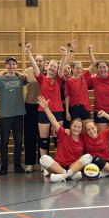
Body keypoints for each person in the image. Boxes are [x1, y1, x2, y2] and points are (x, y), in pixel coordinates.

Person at [25, 43, 69, 176]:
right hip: (43, 112)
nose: (53, 68)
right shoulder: (41, 79)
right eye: (51, 66)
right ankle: (45, 165)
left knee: (58, 140)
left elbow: (62, 66)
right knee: (43, 140)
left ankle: (58, 162)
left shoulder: (59, 80)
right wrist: (28, 52)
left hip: (57, 112)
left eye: (55, 67)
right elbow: (34, 65)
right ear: (46, 67)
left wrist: (64, 55)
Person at [37, 96, 92, 183]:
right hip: (59, 166)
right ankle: (68, 175)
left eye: (79, 127)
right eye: (74, 126)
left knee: (88, 156)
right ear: (70, 127)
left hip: (72, 167)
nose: (76, 129)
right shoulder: (63, 133)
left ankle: (63, 176)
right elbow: (54, 121)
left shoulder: (83, 138)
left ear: (81, 129)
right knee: (43, 158)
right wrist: (46, 108)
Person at [0, 56, 26, 175]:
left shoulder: (21, 78)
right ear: (5, 66)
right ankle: (4, 166)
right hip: (5, 115)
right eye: (9, 64)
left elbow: (32, 78)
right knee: (4, 141)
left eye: (13, 64)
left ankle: (17, 165)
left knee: (18, 141)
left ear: (16, 66)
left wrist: (19, 73)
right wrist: (0, 72)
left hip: (18, 114)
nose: (11, 66)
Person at [23, 53, 47, 173]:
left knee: (43, 136)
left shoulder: (48, 72)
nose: (38, 63)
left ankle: (43, 162)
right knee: (29, 136)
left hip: (43, 107)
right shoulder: (27, 72)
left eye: (40, 61)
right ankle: (30, 163)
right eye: (36, 60)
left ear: (44, 62)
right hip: (30, 106)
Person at [64, 45, 95, 127]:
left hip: (85, 107)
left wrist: (90, 51)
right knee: (75, 130)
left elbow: (93, 63)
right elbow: (67, 96)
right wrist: (67, 111)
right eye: (77, 68)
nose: (79, 70)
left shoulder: (84, 76)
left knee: (86, 129)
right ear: (72, 69)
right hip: (74, 108)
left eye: (80, 68)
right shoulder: (69, 81)